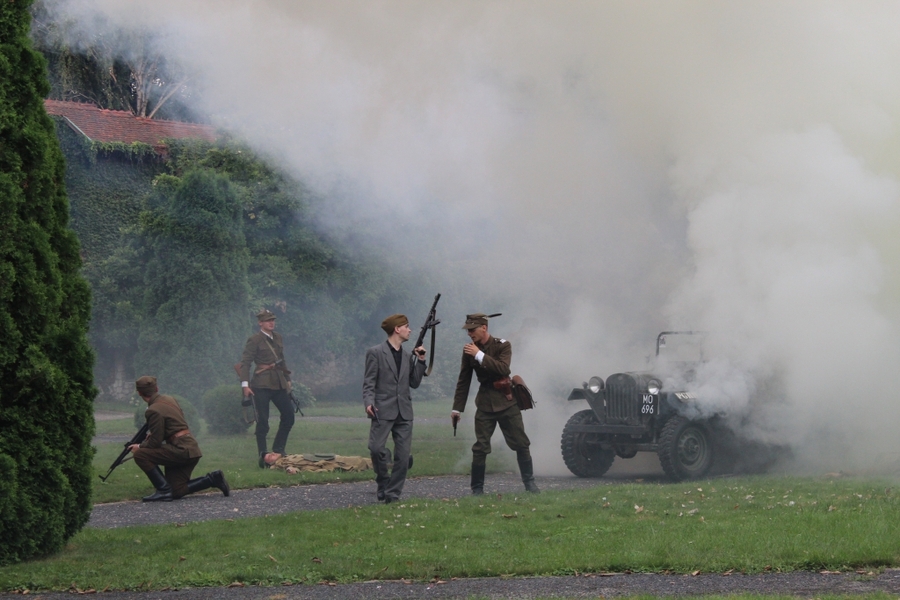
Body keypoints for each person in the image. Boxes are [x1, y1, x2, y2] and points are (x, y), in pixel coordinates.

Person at [451, 313, 539, 495]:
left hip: (507, 401)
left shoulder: (503, 345)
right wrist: (456, 408)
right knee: (480, 447)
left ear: (484, 327)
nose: (469, 334)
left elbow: (503, 369)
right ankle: (477, 489)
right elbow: (464, 380)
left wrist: (480, 355)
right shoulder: (469, 350)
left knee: (521, 443)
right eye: (468, 330)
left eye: (472, 330)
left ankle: (530, 484)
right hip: (484, 403)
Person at [129, 376, 230, 502]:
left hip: (181, 450)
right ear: (156, 388)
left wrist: (139, 447)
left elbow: (155, 443)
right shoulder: (169, 399)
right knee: (176, 491)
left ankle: (164, 491)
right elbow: (173, 424)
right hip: (191, 449)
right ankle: (213, 479)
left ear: (139, 393)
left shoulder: (153, 410)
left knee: (140, 455)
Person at [363, 314, 427, 503]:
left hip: (404, 411)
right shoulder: (375, 352)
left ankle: (393, 494)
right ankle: (383, 481)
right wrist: (368, 403)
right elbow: (369, 382)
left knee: (403, 456)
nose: (410, 330)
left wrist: (421, 361)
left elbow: (414, 383)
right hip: (382, 409)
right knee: (375, 448)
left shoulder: (408, 356)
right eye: (406, 326)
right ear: (397, 329)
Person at [240, 308, 295, 468]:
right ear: (260, 323)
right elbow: (246, 363)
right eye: (268, 320)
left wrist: (287, 379)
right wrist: (245, 385)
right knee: (263, 421)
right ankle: (263, 455)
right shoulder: (254, 340)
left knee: (289, 416)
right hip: (261, 384)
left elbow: (281, 359)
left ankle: (278, 450)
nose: (271, 323)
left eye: (273, 320)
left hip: (278, 382)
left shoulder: (278, 337)